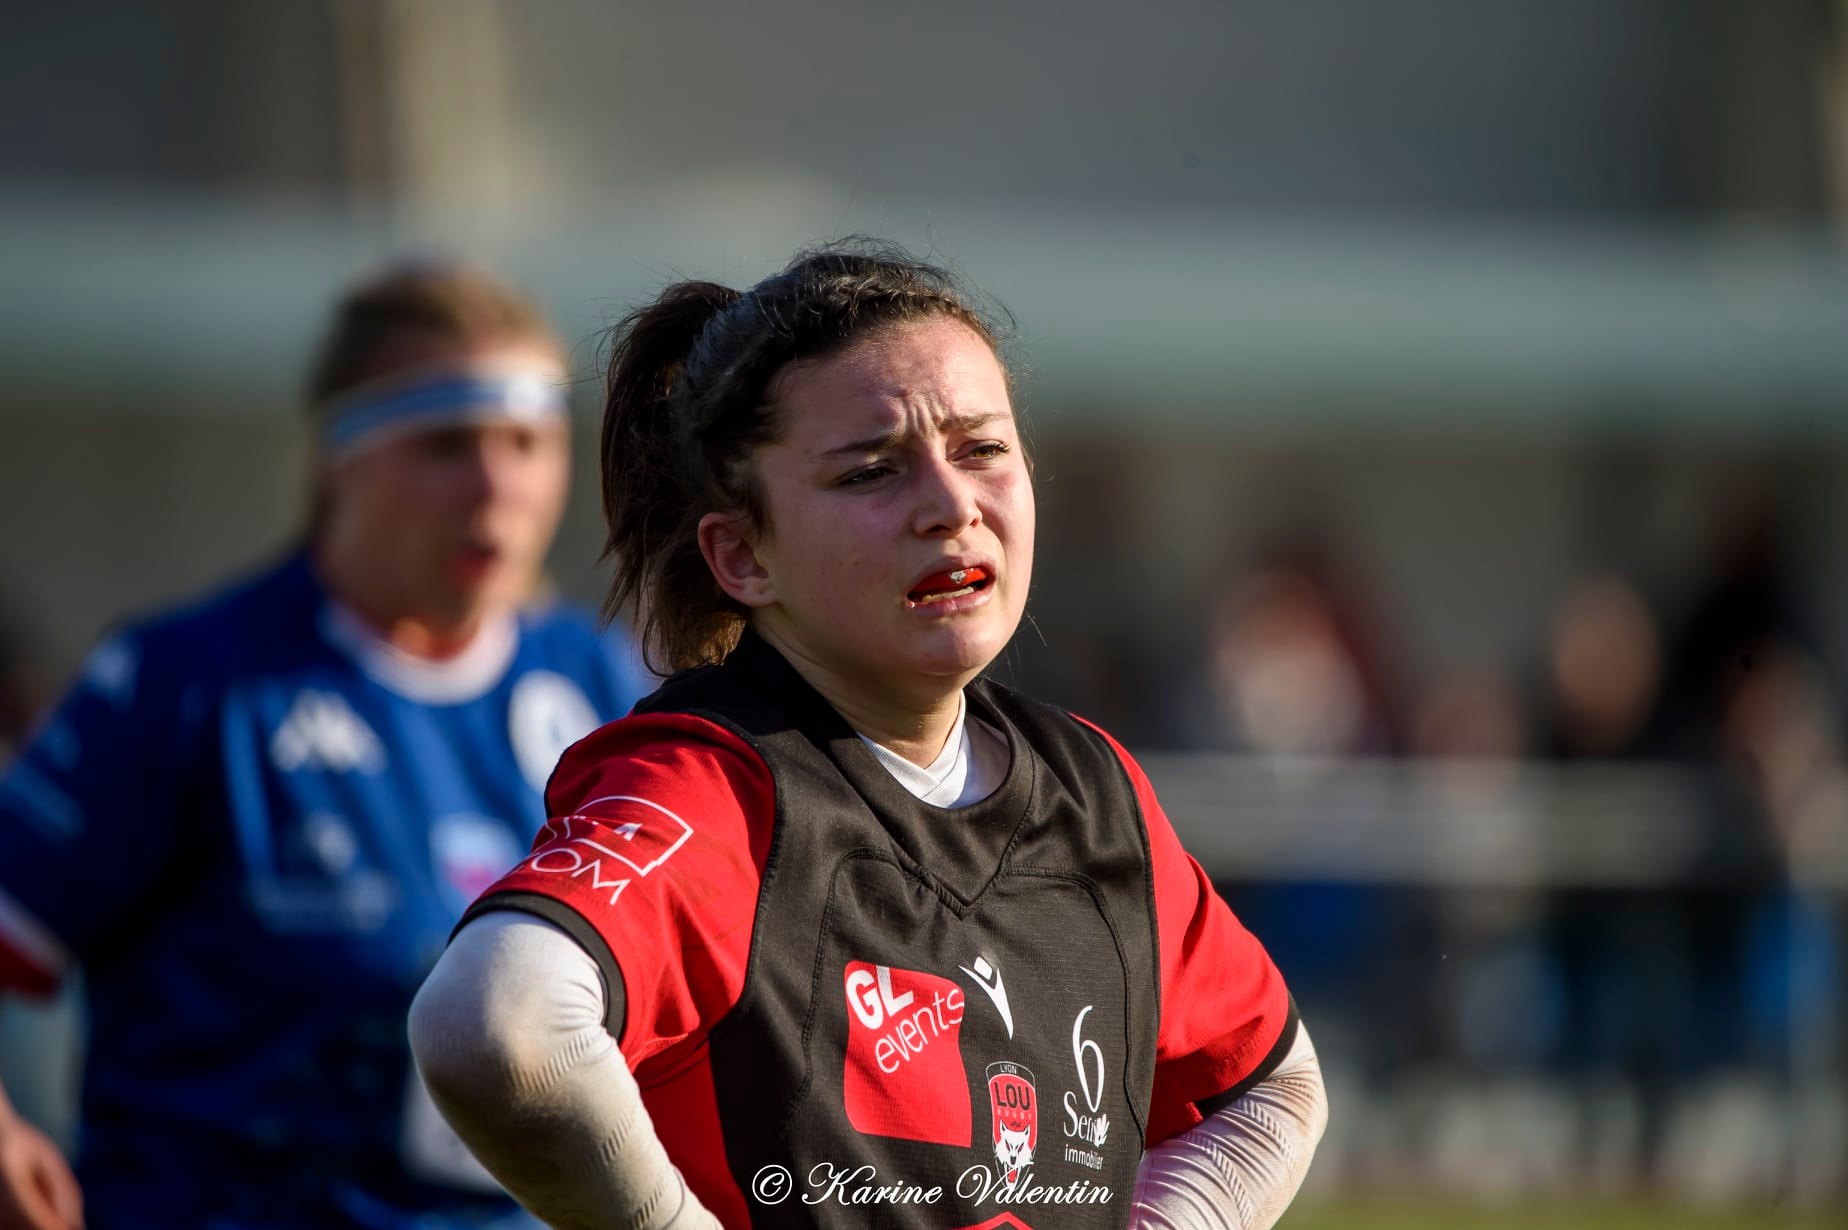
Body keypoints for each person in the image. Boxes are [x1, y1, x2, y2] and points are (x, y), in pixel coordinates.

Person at [409, 243, 1328, 1229]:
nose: (950, 506)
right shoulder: (717, 789)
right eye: (872, 473)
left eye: (982, 449)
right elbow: (494, 1023)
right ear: (742, 554)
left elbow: (1275, 1091)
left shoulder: (1092, 794)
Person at [0, 262, 653, 1229]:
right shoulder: (190, 683)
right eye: (446, 444)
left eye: (529, 441)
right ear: (338, 458)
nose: (497, 483)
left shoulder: (602, 694)